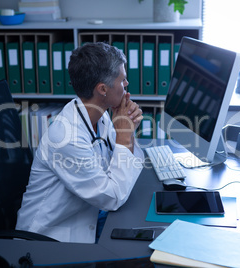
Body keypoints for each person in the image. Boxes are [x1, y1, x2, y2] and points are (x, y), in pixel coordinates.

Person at [16, 42, 145, 243]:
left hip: (90, 213)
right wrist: (124, 135)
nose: (126, 84)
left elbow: (121, 161)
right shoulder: (65, 137)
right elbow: (112, 197)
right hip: (49, 238)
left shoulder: (97, 115)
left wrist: (126, 130)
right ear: (102, 89)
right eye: (122, 79)